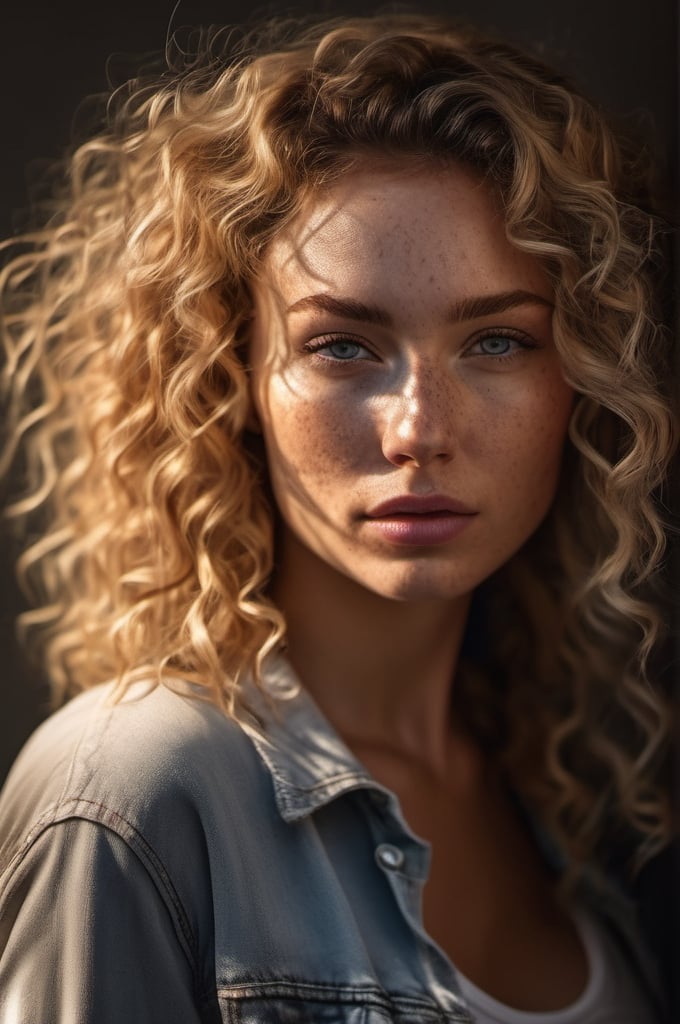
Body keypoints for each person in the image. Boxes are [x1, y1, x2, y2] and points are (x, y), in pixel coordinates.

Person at [0, 12, 675, 1024]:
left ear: (581, 379)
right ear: (233, 380)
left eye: (495, 342)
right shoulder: (137, 788)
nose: (418, 431)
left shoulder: (572, 795)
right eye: (342, 347)